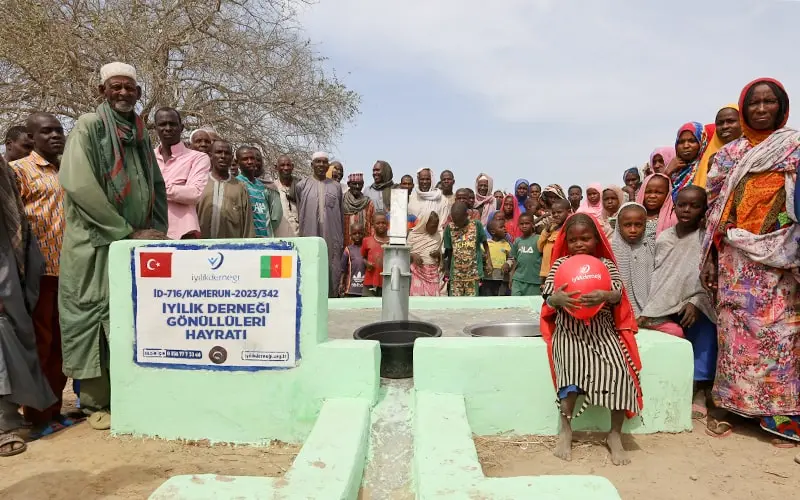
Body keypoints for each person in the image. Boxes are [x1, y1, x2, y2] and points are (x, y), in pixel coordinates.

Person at [59, 62, 168, 430]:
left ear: (139, 93)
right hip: (95, 242)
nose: (124, 94)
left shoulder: (139, 133)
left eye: (130, 88)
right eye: (116, 87)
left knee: (132, 316)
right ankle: (94, 402)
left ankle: (129, 392)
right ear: (102, 91)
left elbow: (155, 185)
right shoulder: (90, 126)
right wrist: (123, 230)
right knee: (94, 317)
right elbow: (78, 184)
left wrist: (155, 230)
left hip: (135, 242)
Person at [701, 78, 800, 443]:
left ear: (782, 107)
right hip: (735, 260)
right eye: (754, 103)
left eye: (768, 102)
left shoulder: (794, 149)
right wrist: (712, 257)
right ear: (744, 109)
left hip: (781, 259)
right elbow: (714, 212)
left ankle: (778, 415)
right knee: (736, 333)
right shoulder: (728, 155)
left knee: (782, 335)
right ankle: (733, 406)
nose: (761, 109)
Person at [541, 213, 643, 466]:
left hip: (602, 333)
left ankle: (614, 435)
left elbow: (619, 293)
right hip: (570, 332)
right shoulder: (560, 264)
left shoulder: (605, 265)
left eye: (585, 239)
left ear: (596, 240)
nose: (579, 244)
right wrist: (557, 300)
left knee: (620, 374)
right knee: (569, 379)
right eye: (573, 240)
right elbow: (547, 295)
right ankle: (566, 430)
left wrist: (605, 295)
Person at [9, 113, 70, 434]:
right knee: (40, 343)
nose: (56, 136)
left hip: (69, 271)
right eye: (47, 131)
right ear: (31, 138)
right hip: (36, 272)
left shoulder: (67, 169)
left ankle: (56, 409)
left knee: (62, 344)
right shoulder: (19, 172)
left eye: (59, 130)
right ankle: (36, 414)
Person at [640, 186, 717, 419]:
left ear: (703, 210)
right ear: (674, 207)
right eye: (682, 205)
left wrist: (695, 299)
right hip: (662, 302)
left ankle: (701, 390)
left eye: (694, 206)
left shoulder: (707, 239)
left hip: (695, 301)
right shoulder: (664, 237)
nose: (687, 210)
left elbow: (706, 278)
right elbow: (659, 275)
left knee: (704, 328)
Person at [0, 155, 57, 457]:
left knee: (11, 345)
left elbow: (15, 222)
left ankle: (9, 419)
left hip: (9, 268)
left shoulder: (3, 169)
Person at [154, 108, 210, 239]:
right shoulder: (147, 157)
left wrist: (156, 188)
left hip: (184, 234)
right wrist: (177, 190)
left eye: (172, 124)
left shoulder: (198, 158)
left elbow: (195, 193)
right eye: (162, 124)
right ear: (155, 128)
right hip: (151, 231)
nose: (168, 128)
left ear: (182, 127)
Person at [297, 152, 345, 298]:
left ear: (328, 165)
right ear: (312, 165)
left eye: (324, 162)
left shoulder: (336, 187)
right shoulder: (302, 185)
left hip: (332, 235)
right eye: (318, 162)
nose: (321, 165)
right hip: (309, 233)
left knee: (331, 265)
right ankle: (309, 297)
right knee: (310, 263)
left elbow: (340, 213)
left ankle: (331, 297)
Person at [197, 140, 255, 238]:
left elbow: (248, 227)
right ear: (210, 156)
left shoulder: (240, 187)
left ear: (232, 158)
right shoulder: (199, 182)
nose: (223, 156)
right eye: (219, 152)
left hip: (230, 249)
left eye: (227, 153)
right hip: (199, 248)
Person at [611, 203, 654, 318]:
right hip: (619, 314)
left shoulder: (652, 247)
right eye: (627, 225)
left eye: (638, 225)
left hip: (650, 312)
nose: (633, 230)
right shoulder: (610, 250)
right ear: (619, 226)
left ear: (645, 225)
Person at [443, 202, 491, 297]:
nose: (457, 224)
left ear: (466, 215)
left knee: (471, 304)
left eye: (459, 221)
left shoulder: (476, 225)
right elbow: (449, 251)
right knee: (455, 304)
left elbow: (485, 244)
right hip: (456, 275)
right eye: (455, 221)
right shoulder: (449, 228)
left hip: (473, 274)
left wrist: (489, 261)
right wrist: (447, 269)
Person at [236, 146, 281, 237]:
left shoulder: (262, 186)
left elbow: (272, 218)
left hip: (264, 239)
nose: (250, 162)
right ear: (237, 163)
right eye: (245, 159)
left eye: (252, 158)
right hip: (246, 240)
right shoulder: (236, 184)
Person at [695, 105, 742, 191]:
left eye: (731, 121)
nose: (725, 126)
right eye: (720, 123)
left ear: (743, 122)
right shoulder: (708, 157)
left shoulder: (752, 151)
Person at [665, 122, 710, 199]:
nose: (686, 146)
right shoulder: (674, 171)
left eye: (692, 141)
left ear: (702, 142)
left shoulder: (708, 166)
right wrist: (667, 173)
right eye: (681, 142)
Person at [408, 211, 442, 297]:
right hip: (417, 272)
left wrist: (437, 254)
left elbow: (440, 254)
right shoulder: (413, 235)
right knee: (417, 299)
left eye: (436, 226)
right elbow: (404, 254)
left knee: (433, 299)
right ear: (425, 223)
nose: (435, 229)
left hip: (432, 274)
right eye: (432, 226)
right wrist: (413, 255)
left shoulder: (437, 236)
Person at [636, 173, 675, 246]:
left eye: (659, 192)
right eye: (648, 192)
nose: (652, 196)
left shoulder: (673, 218)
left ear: (667, 194)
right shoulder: (633, 216)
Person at [509, 213, 542, 296]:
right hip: (518, 279)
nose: (524, 226)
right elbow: (515, 260)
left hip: (534, 281)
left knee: (530, 306)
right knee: (516, 304)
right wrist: (511, 277)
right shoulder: (517, 241)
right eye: (521, 224)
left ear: (533, 224)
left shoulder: (539, 239)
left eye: (527, 223)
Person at [538, 199, 570, 280]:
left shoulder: (569, 229)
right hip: (547, 273)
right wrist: (546, 231)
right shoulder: (550, 229)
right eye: (553, 213)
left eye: (559, 212)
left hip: (563, 271)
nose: (556, 215)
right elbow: (539, 247)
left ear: (568, 212)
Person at [269, 155, 300, 237]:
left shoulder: (300, 186)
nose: (286, 168)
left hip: (300, 236)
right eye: (282, 165)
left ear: (292, 167)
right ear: (276, 167)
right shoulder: (272, 188)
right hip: (280, 237)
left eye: (288, 165)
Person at [342, 173, 375, 247]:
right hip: (345, 243)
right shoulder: (342, 200)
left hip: (364, 244)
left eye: (359, 184)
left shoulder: (368, 203)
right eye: (354, 184)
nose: (357, 187)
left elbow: (373, 225)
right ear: (348, 184)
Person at [361, 212, 389, 297]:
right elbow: (362, 257)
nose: (381, 225)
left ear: (387, 224)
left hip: (387, 283)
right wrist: (366, 263)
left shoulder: (392, 242)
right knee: (368, 308)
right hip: (370, 281)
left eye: (383, 223)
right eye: (378, 223)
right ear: (373, 225)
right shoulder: (367, 241)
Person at [482, 219, 512, 296]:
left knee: (501, 299)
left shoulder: (506, 244)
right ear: (493, 232)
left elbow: (511, 258)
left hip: (502, 278)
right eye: (501, 227)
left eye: (504, 226)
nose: (505, 229)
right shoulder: (486, 244)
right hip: (488, 278)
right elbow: (481, 257)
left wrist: (507, 264)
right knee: (488, 298)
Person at [339, 222, 366, 298]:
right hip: (350, 289)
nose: (357, 236)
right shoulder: (348, 250)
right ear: (350, 235)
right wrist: (341, 284)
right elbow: (342, 270)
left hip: (365, 290)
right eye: (354, 234)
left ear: (364, 234)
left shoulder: (367, 249)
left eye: (360, 233)